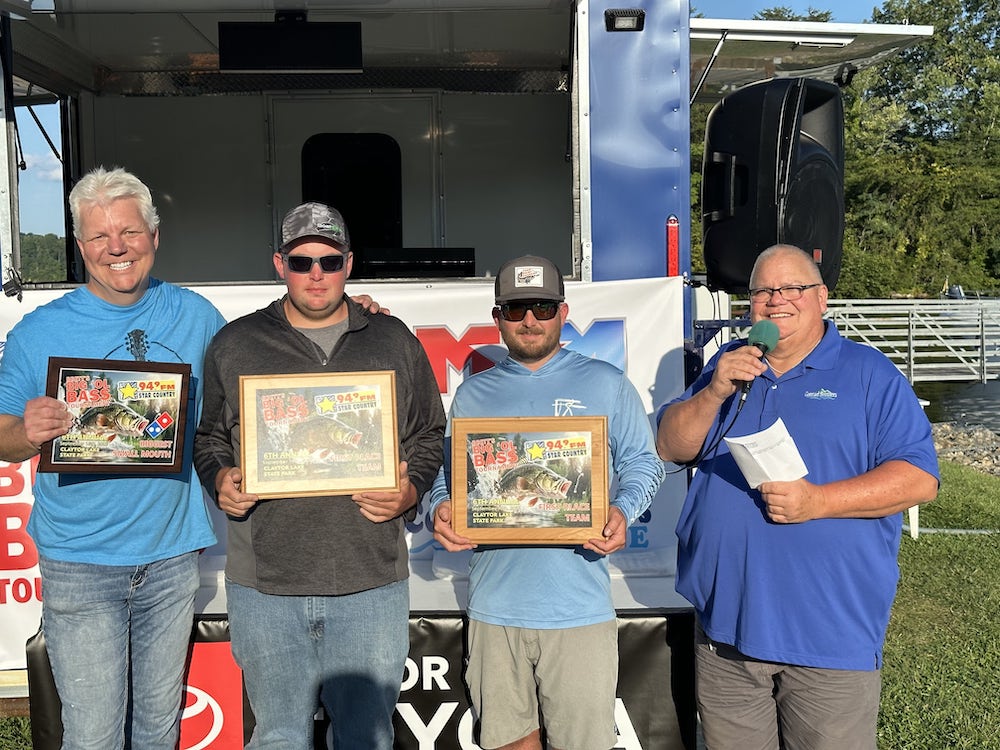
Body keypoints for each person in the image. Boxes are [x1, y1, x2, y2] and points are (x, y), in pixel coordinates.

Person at [655, 244, 939, 750]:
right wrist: (715, 391)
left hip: (826, 638)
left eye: (792, 288)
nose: (775, 299)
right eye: (762, 290)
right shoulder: (729, 363)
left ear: (822, 298)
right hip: (726, 630)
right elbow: (671, 445)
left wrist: (818, 502)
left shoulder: (869, 374)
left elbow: (919, 479)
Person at [193, 200, 445, 750]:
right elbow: (208, 438)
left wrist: (410, 490)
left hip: (370, 582)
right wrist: (220, 478)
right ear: (279, 264)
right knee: (278, 738)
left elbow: (429, 433)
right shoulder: (236, 343)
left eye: (329, 262)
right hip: (265, 586)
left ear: (348, 264)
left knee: (366, 739)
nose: (316, 274)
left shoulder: (393, 339)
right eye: (301, 261)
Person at [0, 166, 226, 749]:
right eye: (99, 236)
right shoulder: (37, 332)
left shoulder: (198, 317)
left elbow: (259, 371)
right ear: (81, 247)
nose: (116, 248)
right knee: (94, 735)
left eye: (129, 232)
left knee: (157, 730)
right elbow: (0, 435)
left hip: (171, 557)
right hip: (79, 562)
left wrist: (349, 312)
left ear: (155, 236)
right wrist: (27, 430)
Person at [430, 255, 665, 750]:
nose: (530, 321)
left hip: (579, 610)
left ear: (563, 312)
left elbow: (645, 464)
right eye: (516, 310)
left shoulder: (606, 383)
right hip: (494, 609)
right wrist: (440, 509)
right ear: (497, 318)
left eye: (542, 307)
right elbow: (445, 480)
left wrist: (623, 509)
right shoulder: (472, 395)